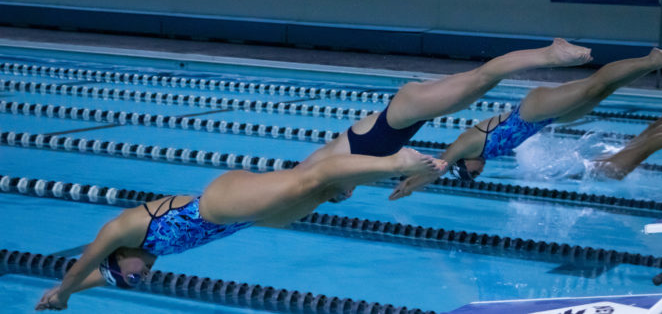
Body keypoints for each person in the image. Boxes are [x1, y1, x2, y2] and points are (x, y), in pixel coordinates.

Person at [35, 149, 443, 311]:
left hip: (216, 206)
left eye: (134, 276)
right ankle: (344, 177)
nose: (144, 277)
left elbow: (81, 265)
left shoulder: (121, 229)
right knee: (317, 192)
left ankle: (395, 161)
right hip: (236, 222)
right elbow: (101, 275)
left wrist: (64, 290)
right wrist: (58, 295)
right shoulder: (129, 260)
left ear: (120, 255)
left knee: (304, 180)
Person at [298, 38, 593, 201]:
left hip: (405, 111)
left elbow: (300, 176)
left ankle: (551, 54)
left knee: (482, 77)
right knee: (482, 82)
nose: (347, 194)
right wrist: (414, 182)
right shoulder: (356, 171)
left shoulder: (328, 162)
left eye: (337, 196)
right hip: (412, 114)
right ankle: (548, 54)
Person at [390, 48, 662, 199]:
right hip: (548, 118)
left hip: (530, 112)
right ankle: (649, 66)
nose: (478, 173)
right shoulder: (483, 153)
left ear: (462, 164)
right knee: (604, 90)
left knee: (591, 86)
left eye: (471, 175)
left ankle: (651, 60)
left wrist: (410, 185)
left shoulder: (464, 144)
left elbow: (436, 168)